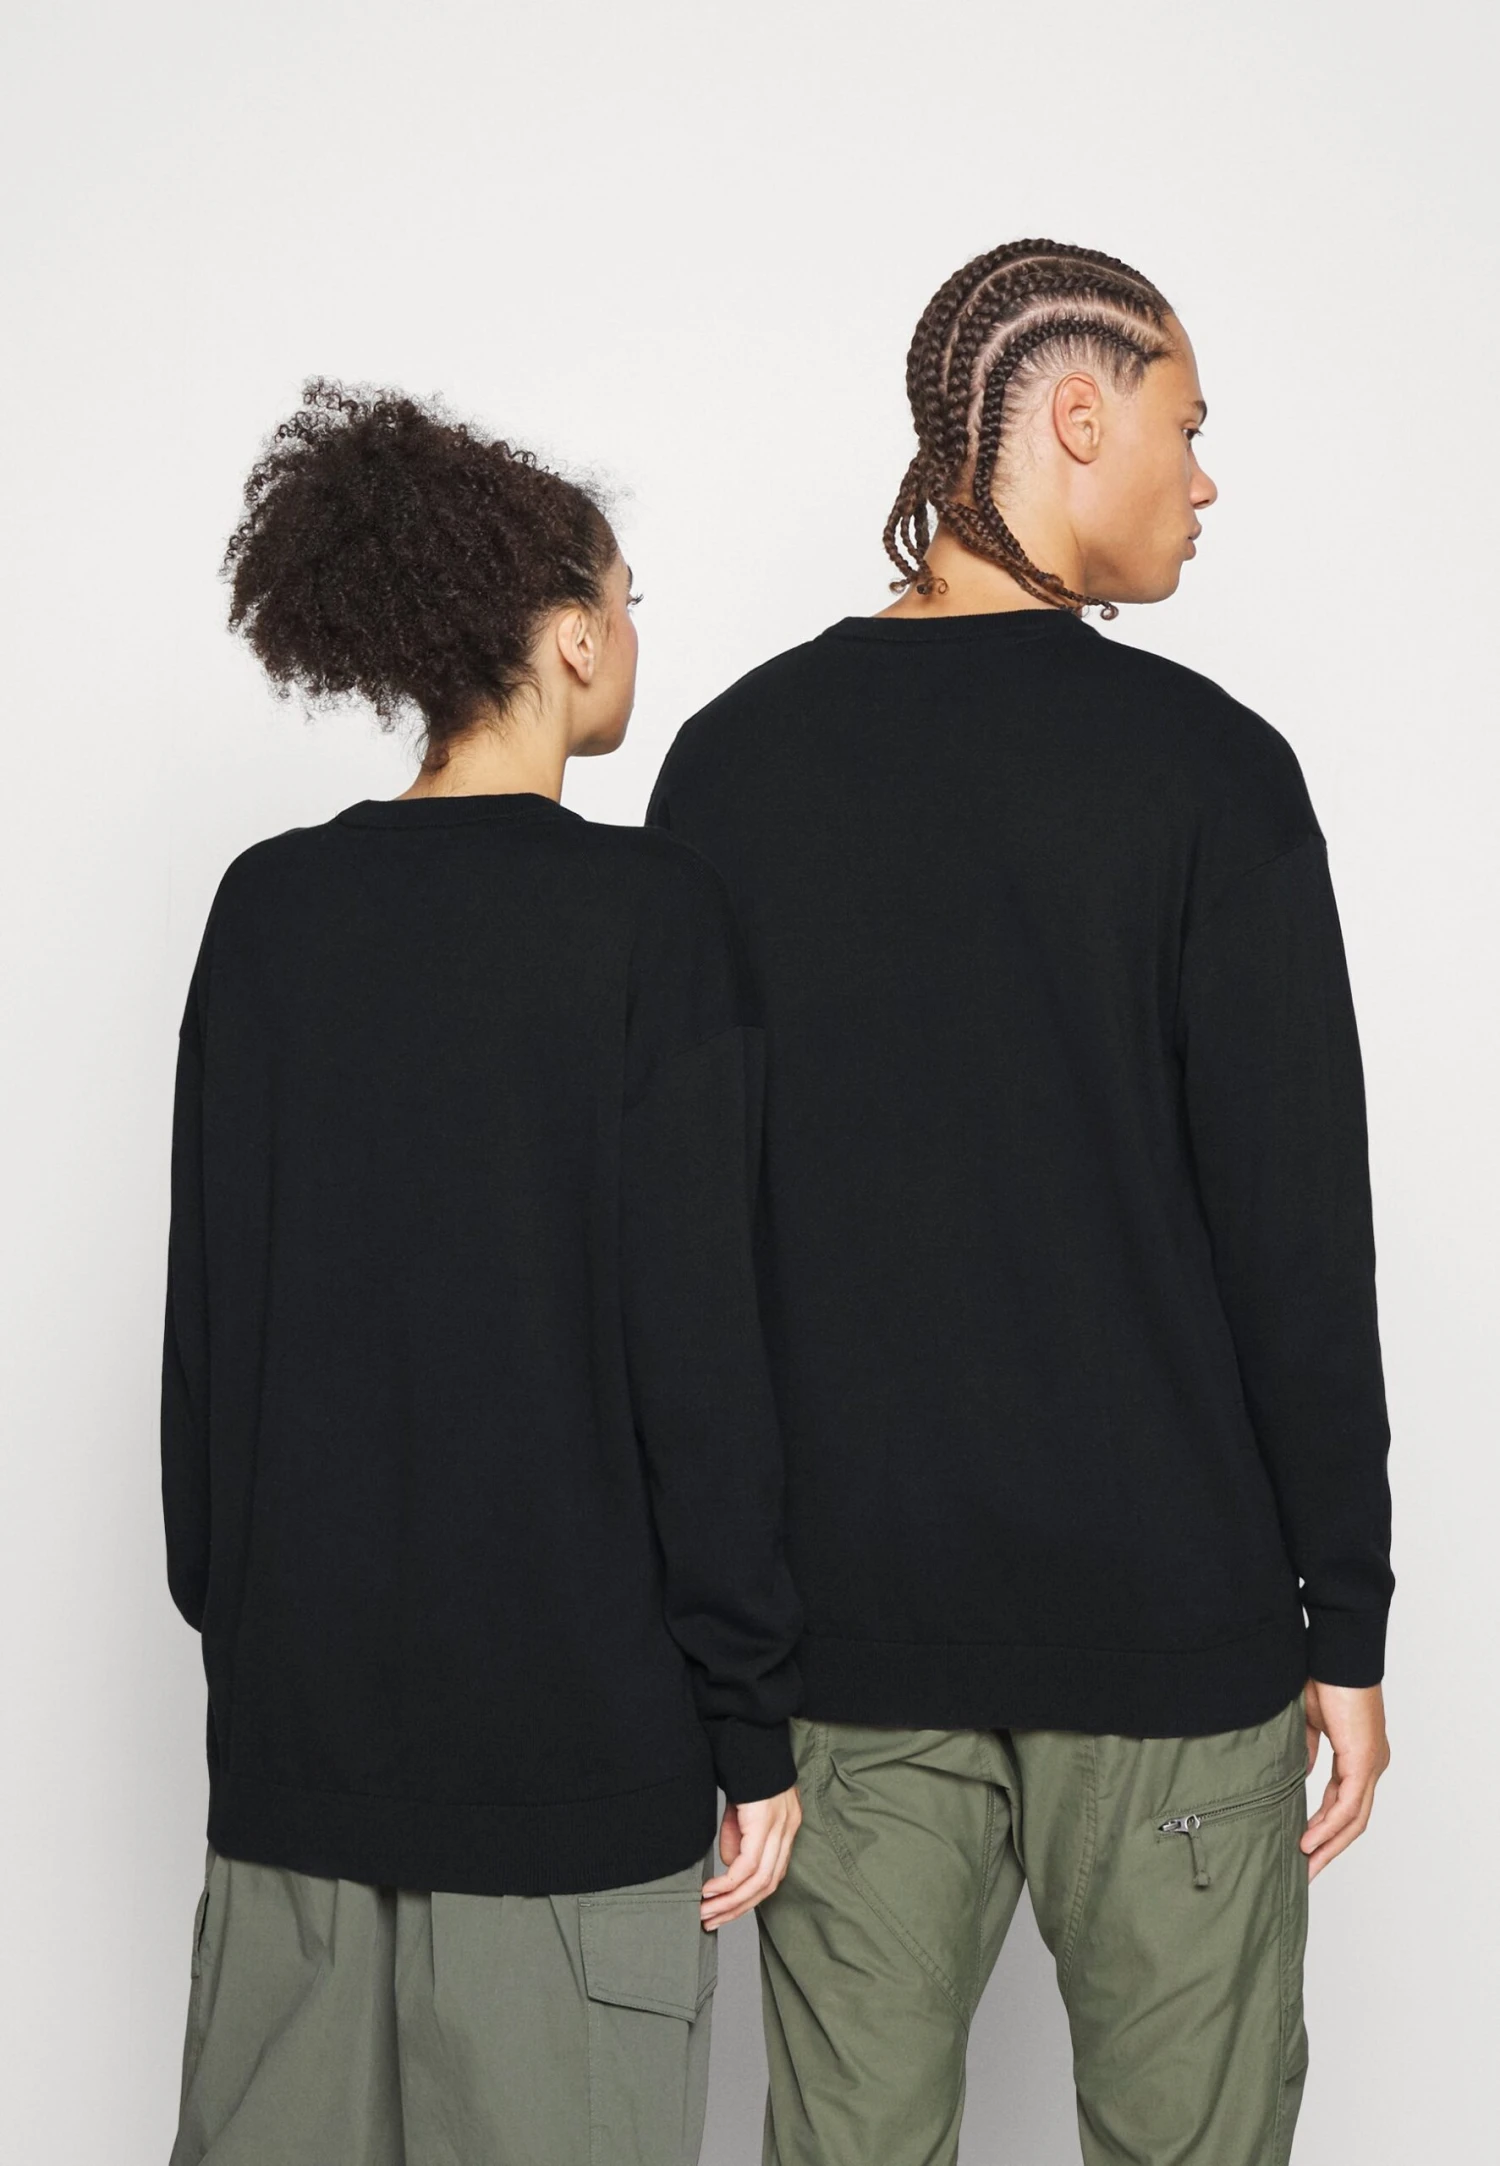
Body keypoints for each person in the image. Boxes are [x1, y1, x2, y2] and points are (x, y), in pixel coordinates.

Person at [647, 240, 1393, 2166]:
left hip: (840, 1654)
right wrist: (1348, 1616)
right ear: (1078, 413)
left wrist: (720, 1652)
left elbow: (677, 1252)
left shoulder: (730, 767)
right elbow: (1296, 1231)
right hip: (1171, 1635)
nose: (1205, 478)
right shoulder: (1212, 773)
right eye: (1185, 426)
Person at [161, 381, 802, 2166]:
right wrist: (750, 1717)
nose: (635, 636)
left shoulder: (269, 912)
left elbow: (208, 1339)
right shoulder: (654, 918)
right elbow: (702, 1353)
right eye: (629, 601)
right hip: (575, 1774)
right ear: (574, 634)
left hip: (295, 1767)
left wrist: (259, 1637)